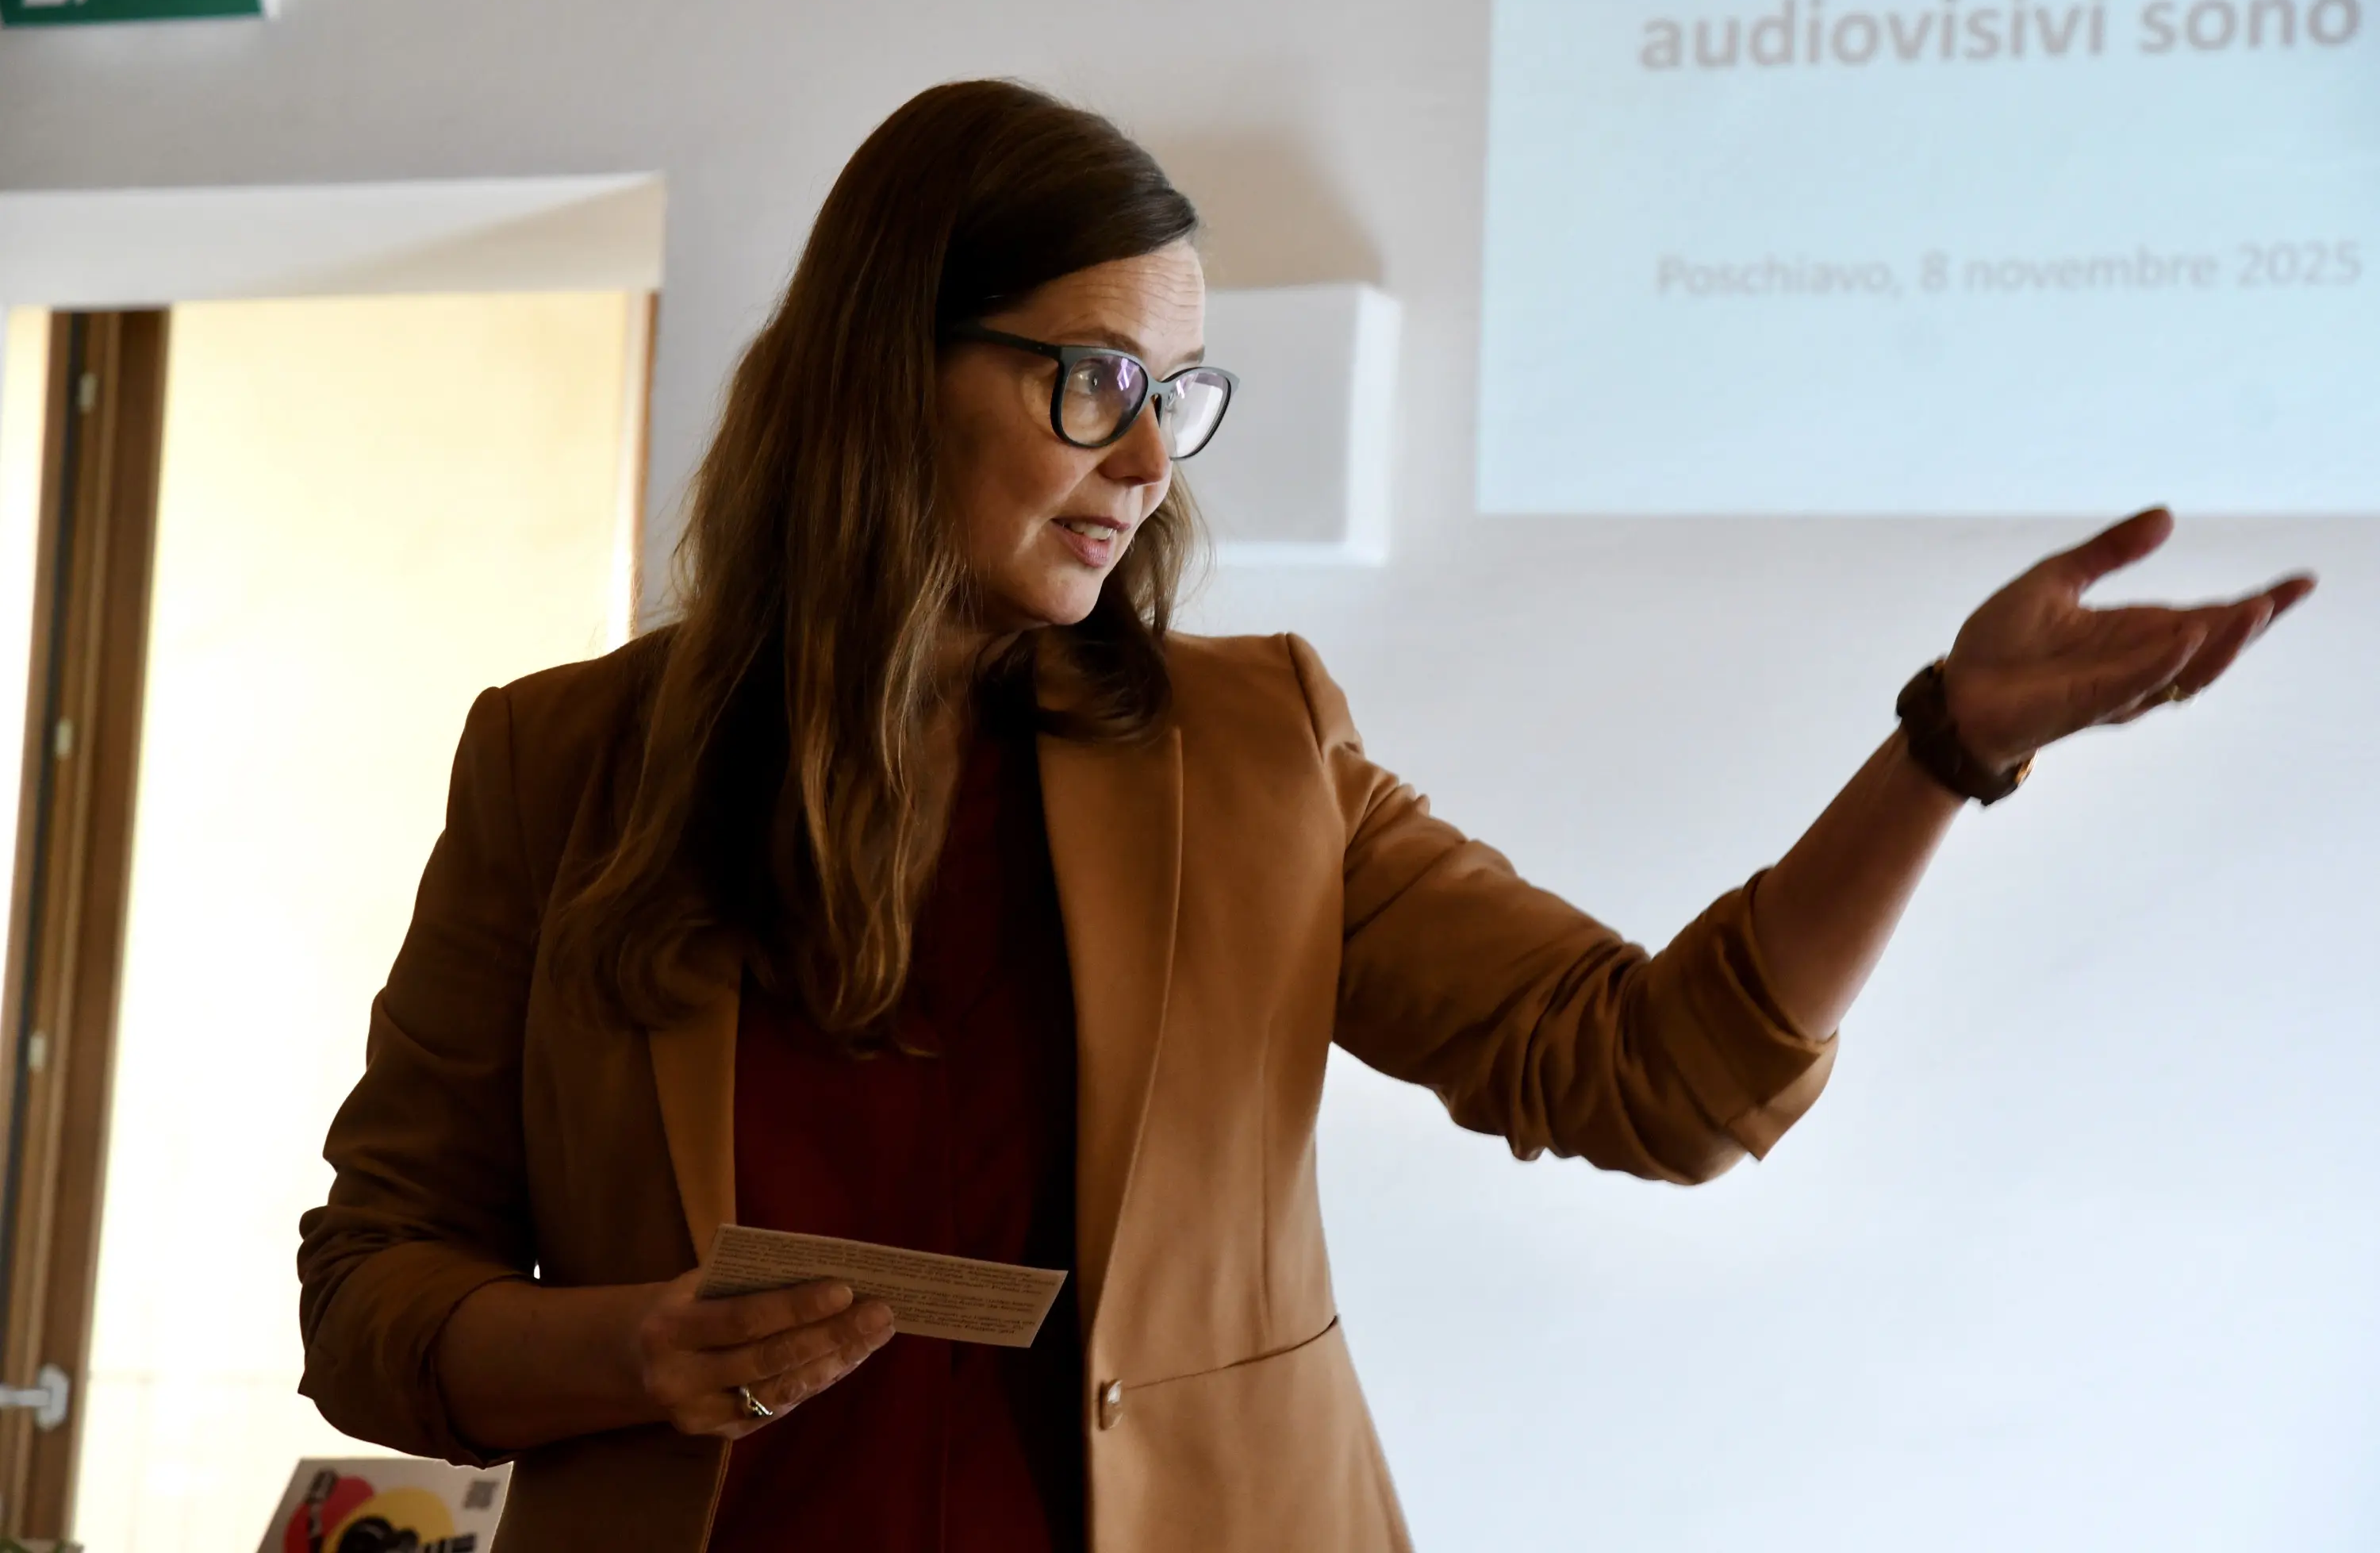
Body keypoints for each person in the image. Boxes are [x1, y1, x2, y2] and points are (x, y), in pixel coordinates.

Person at [295, 80, 2313, 1553]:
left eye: (1185, 391)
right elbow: (376, 1287)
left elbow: (1664, 1074)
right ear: (883, 370)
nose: (1154, 456)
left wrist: (1941, 750)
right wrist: (627, 1356)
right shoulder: (561, 765)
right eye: (1095, 377)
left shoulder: (1254, 748)